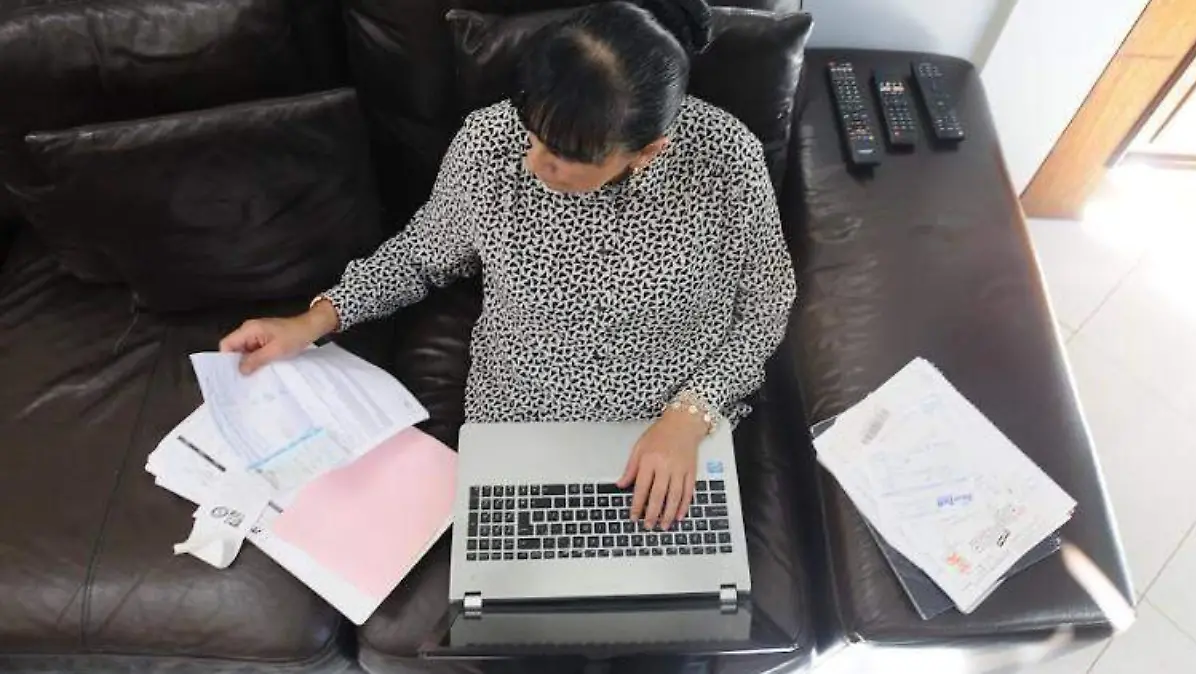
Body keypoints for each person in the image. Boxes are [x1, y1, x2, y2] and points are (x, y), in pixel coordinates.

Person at [219, 0, 795, 533]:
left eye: (565, 156)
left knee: (674, 599)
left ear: (647, 152)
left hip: (670, 421)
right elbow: (420, 255)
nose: (533, 162)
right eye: (534, 132)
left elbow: (767, 302)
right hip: (521, 416)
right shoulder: (488, 146)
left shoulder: (726, 159)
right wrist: (312, 321)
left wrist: (691, 415)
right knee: (506, 594)